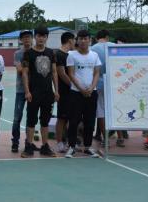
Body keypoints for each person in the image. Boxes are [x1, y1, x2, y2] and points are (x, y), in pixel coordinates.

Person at [21, 26, 59, 158]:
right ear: (35, 37)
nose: (41, 38)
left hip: (48, 93)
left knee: (45, 120)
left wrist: (56, 90)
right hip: (34, 92)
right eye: (39, 36)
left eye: (44, 36)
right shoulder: (28, 53)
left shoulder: (51, 53)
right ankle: (29, 146)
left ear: (47, 37)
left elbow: (54, 72)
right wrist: (27, 91)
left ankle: (45, 146)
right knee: (31, 120)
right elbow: (24, 73)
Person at [65, 30, 102, 158]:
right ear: (77, 40)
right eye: (80, 38)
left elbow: (96, 73)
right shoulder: (71, 55)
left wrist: (91, 88)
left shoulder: (95, 55)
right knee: (73, 121)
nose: (83, 41)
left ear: (90, 40)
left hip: (92, 93)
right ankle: (71, 147)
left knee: (90, 121)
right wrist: (81, 89)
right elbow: (71, 74)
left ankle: (87, 147)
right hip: (76, 93)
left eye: (86, 38)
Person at [11, 30, 33, 153]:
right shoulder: (18, 53)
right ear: (21, 40)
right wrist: (31, 69)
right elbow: (20, 70)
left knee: (31, 117)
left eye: (29, 37)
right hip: (20, 90)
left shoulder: (36, 52)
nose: (27, 39)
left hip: (34, 89)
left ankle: (29, 142)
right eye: (24, 37)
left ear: (32, 38)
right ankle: (15, 142)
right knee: (17, 117)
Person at [55, 32, 75, 153]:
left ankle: (69, 141)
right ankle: (59, 142)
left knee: (71, 118)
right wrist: (74, 85)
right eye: (74, 40)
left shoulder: (71, 54)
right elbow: (62, 74)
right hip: (64, 91)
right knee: (62, 118)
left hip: (72, 92)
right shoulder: (59, 54)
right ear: (70, 40)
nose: (75, 42)